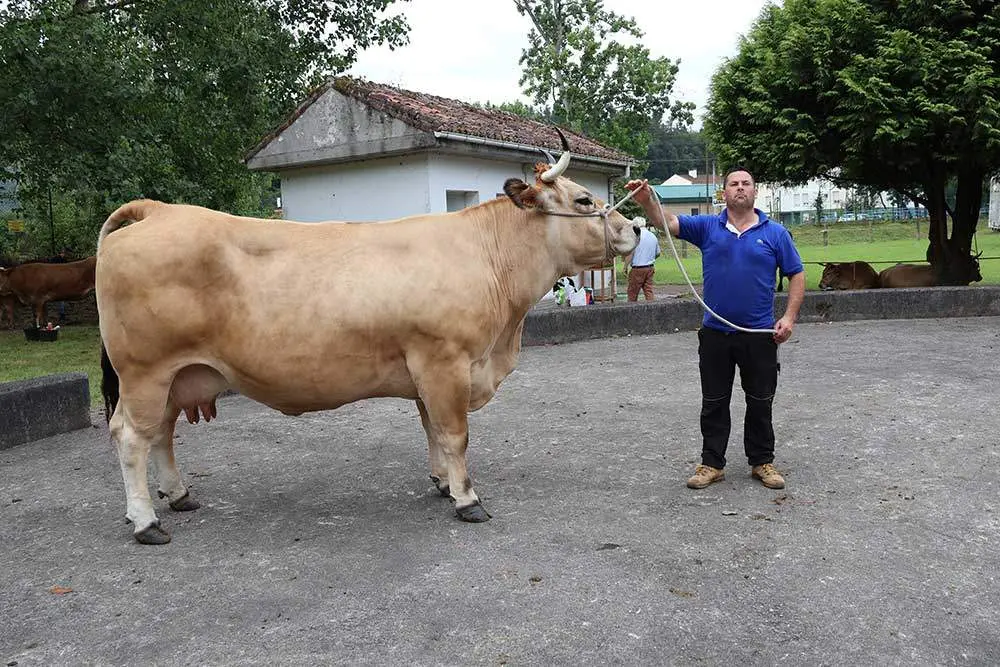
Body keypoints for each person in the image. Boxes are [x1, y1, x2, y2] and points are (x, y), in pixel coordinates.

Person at [625, 167, 805, 490]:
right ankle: (712, 464)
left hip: (760, 335)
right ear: (724, 193)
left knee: (761, 400)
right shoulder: (708, 227)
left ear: (755, 191)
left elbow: (797, 274)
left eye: (746, 183)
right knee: (714, 401)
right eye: (733, 184)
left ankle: (762, 462)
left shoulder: (775, 233)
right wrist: (646, 201)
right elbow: (668, 222)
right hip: (715, 335)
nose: (740, 188)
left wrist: (789, 318)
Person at [624, 217, 660, 301]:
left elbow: (631, 253)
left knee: (632, 293)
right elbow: (658, 253)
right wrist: (649, 258)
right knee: (648, 291)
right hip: (650, 267)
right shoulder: (652, 236)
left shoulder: (635, 236)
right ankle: (652, 310)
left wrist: (625, 267)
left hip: (638, 269)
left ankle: (631, 311)